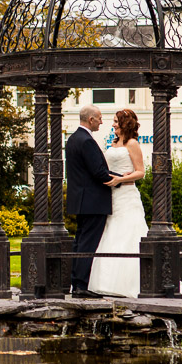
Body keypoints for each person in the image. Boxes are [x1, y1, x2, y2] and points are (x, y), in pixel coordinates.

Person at [88, 108, 148, 298]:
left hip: (126, 195)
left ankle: (128, 283)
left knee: (127, 234)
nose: (112, 124)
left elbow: (140, 172)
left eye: (116, 121)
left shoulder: (132, 144)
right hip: (111, 195)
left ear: (125, 124)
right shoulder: (112, 143)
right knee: (110, 233)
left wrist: (120, 180)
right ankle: (103, 282)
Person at [65, 105, 121, 296]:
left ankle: (76, 283)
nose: (102, 122)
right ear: (91, 120)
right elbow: (98, 172)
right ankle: (81, 286)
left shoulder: (72, 139)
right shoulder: (87, 141)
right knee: (88, 243)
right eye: (99, 118)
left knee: (80, 242)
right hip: (92, 201)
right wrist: (120, 181)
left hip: (81, 200)